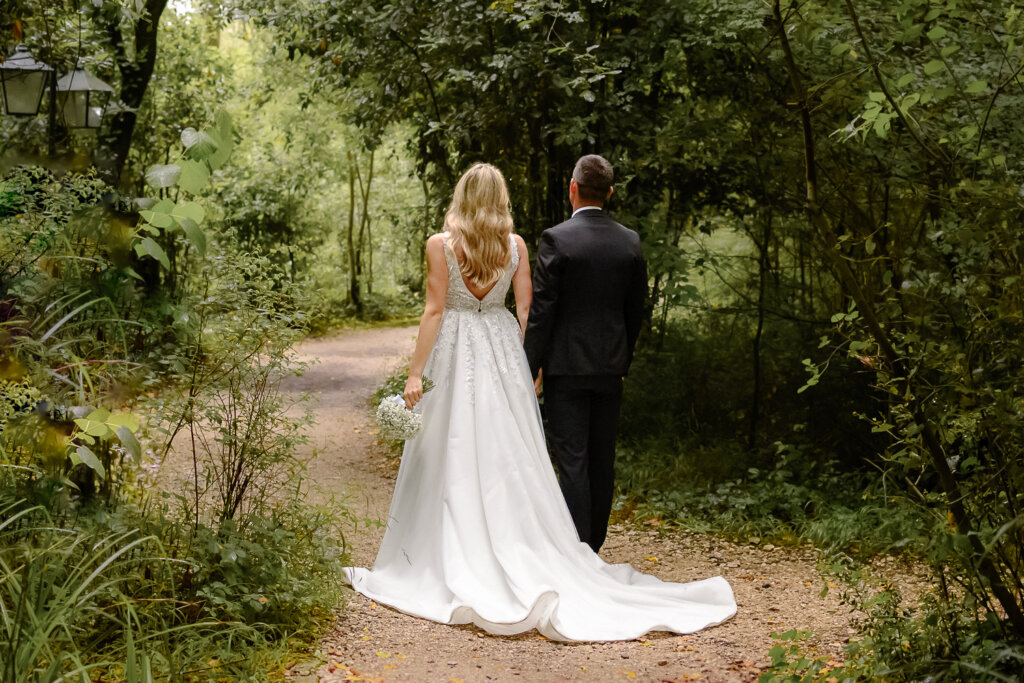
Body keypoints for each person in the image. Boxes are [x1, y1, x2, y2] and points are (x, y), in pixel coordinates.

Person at [343, 163, 735, 641]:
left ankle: (448, 544)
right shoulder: (516, 246)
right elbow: (528, 308)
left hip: (456, 349)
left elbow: (434, 309)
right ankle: (530, 541)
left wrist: (414, 373)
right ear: (501, 198)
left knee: (452, 442)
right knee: (512, 451)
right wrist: (532, 367)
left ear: (462, 196)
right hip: (504, 351)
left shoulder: (440, 245)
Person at [523, 154, 646, 553]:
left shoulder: (556, 239)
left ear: (572, 188)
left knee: (572, 458)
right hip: (611, 369)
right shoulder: (629, 241)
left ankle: (577, 553)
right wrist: (622, 360)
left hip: (566, 368)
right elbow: (635, 310)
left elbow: (542, 312)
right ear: (609, 193)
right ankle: (593, 547)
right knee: (601, 459)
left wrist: (527, 369)